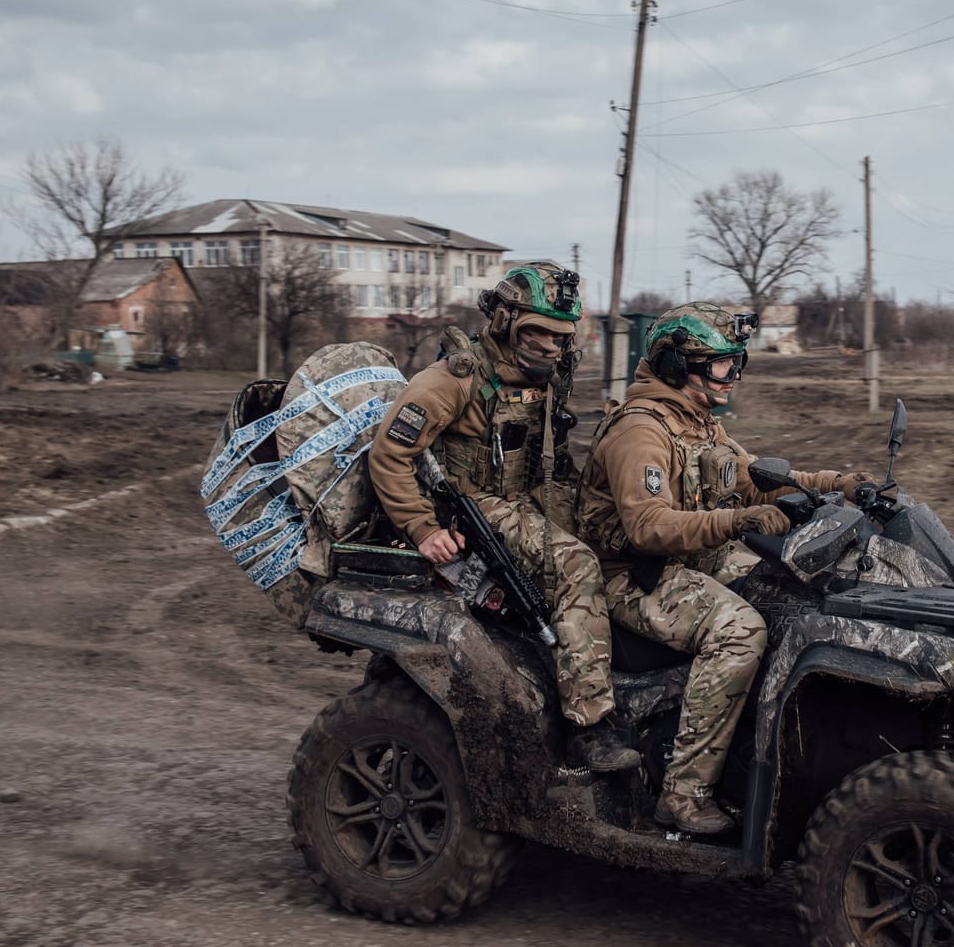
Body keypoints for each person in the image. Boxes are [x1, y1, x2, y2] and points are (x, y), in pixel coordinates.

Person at [576, 302, 872, 833]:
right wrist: (739, 521)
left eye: (737, 362)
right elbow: (647, 527)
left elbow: (755, 479)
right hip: (630, 575)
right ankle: (683, 794)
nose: (733, 374)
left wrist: (840, 483)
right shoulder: (640, 430)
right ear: (674, 364)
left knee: (801, 594)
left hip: (689, 561)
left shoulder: (699, 424)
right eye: (719, 363)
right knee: (741, 631)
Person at [367, 263, 638, 774]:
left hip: (534, 496)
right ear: (504, 321)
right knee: (575, 565)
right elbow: (390, 456)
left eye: (561, 335)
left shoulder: (549, 376)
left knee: (625, 538)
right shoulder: (451, 381)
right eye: (537, 331)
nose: (551, 346)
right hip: (476, 508)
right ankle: (589, 727)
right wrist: (423, 529)